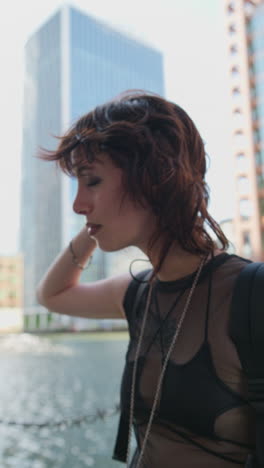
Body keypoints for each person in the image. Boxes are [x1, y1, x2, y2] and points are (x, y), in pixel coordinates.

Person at [37, 91, 254, 467]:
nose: (76, 204)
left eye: (92, 181)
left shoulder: (249, 293)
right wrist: (92, 227)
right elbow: (52, 295)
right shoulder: (139, 292)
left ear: (152, 178)